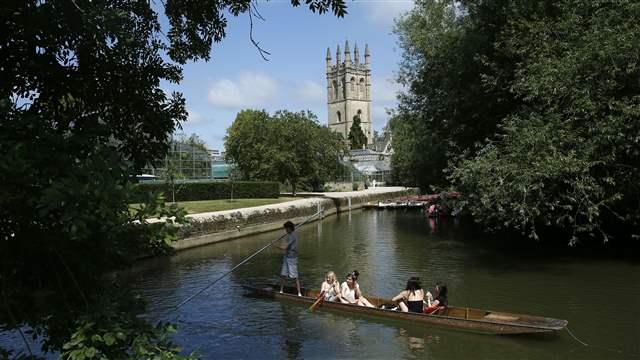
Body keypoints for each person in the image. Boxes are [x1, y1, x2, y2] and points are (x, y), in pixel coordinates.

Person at [279, 221, 301, 296]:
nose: (286, 230)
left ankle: (299, 293)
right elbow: (285, 245)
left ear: (289, 228)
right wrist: (282, 239)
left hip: (292, 258)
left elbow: (285, 247)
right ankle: (281, 291)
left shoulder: (292, 236)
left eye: (286, 229)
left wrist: (274, 245)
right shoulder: (289, 235)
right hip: (286, 257)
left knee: (295, 276)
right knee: (283, 274)